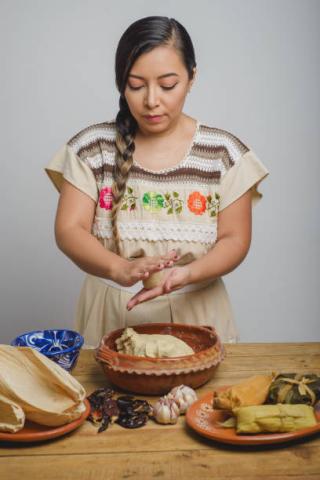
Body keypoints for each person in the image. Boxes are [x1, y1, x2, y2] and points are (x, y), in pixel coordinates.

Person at [46, 16, 268, 346]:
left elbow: (235, 239)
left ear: (192, 77)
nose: (151, 100)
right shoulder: (92, 149)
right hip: (110, 314)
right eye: (136, 85)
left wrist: (189, 274)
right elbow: (69, 229)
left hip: (198, 313)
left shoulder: (224, 153)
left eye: (167, 85)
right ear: (121, 83)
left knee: (203, 400)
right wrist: (118, 268)